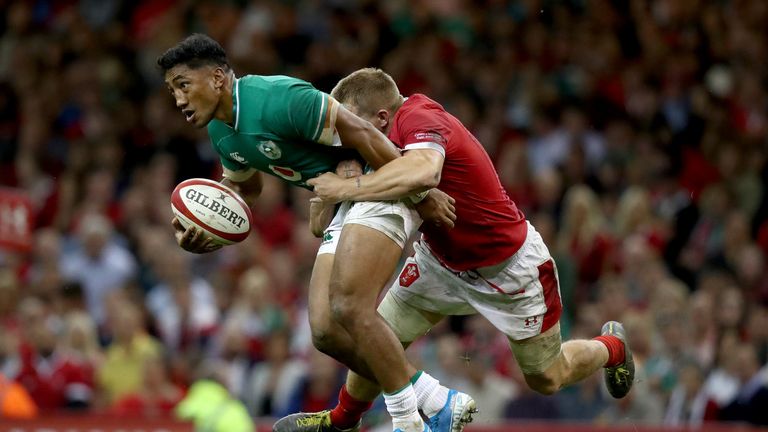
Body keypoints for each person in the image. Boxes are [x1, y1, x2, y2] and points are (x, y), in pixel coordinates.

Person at [274, 68, 635, 432]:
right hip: (438, 262)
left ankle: (611, 347)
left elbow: (424, 171)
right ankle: (341, 422)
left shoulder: (419, 117)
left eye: (352, 123)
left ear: (382, 117)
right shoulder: (372, 143)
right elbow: (323, 219)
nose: (347, 136)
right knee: (375, 338)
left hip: (509, 269)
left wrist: (347, 189)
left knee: (547, 377)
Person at [158, 34, 472, 432]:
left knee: (348, 307)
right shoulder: (222, 133)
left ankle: (412, 420)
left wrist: (421, 194)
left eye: (183, 85)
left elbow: (361, 131)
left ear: (218, 78)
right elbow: (246, 188)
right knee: (324, 331)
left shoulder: (277, 98)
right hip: (341, 200)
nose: (178, 100)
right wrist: (210, 221)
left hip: (377, 180)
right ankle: (433, 399)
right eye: (172, 91)